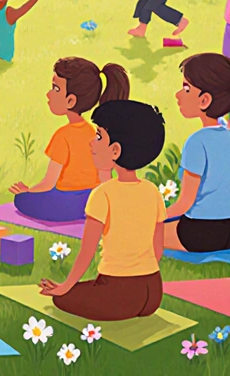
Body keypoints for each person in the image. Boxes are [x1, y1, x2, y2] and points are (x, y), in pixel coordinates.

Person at [40, 99, 166, 321]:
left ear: (115, 150)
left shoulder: (102, 194)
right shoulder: (152, 191)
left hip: (119, 294)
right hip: (153, 292)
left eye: (98, 136)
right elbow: (158, 247)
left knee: (62, 298)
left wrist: (65, 286)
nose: (91, 143)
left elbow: (87, 252)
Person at [164, 53, 230, 251]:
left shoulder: (196, 142)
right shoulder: (228, 138)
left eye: (186, 89)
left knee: (144, 233)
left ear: (204, 100)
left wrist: (155, 217)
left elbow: (185, 203)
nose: (178, 94)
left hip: (202, 231)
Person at [10, 58, 130, 222]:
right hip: (91, 199)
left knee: (21, 200)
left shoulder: (63, 136)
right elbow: (104, 175)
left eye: (55, 88)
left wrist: (27, 191)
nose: (48, 94)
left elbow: (48, 183)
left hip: (67, 203)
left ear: (70, 100)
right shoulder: (95, 133)